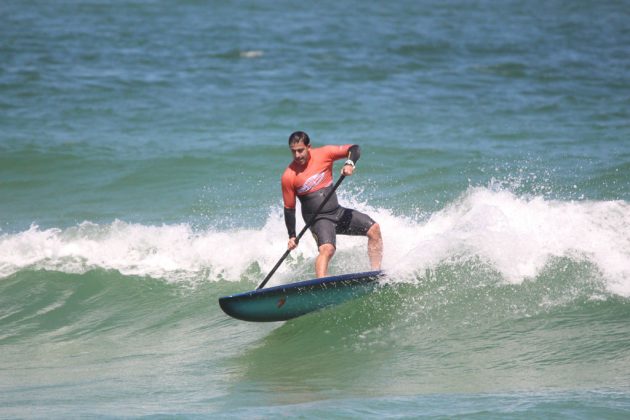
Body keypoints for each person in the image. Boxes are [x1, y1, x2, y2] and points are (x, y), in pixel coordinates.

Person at [281, 131, 383, 277]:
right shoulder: (289, 176)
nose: (297, 155)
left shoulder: (325, 154)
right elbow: (289, 209)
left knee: (374, 229)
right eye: (293, 152)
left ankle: (375, 274)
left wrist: (349, 163)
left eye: (300, 150)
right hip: (318, 220)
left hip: (337, 212)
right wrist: (292, 235)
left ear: (309, 147)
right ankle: (321, 285)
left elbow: (354, 148)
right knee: (327, 249)